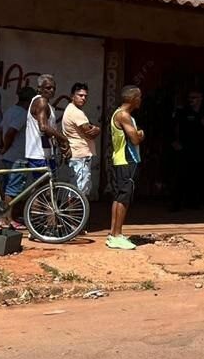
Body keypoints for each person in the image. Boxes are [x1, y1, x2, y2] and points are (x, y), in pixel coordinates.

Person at [108, 86, 144, 250]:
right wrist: (141, 134)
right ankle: (117, 235)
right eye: (139, 97)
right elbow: (135, 139)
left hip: (119, 160)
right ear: (132, 99)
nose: (140, 100)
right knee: (124, 197)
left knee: (118, 197)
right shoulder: (124, 115)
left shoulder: (118, 113)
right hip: (127, 161)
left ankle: (114, 234)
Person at [0, 87, 36, 223]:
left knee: (8, 187)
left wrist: (2, 147)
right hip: (17, 156)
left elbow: (1, 129)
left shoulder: (10, 110)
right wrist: (5, 147)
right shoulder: (22, 114)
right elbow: (10, 132)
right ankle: (6, 218)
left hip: (8, 156)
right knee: (13, 189)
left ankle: (9, 216)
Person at [170, 90, 204, 210]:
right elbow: (174, 127)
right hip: (185, 149)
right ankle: (176, 204)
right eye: (189, 97)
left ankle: (194, 202)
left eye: (194, 97)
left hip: (201, 150)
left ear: (200, 98)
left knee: (198, 176)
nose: (191, 100)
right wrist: (174, 142)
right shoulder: (183, 112)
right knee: (181, 176)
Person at [62, 82, 101, 199]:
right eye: (80, 95)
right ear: (72, 96)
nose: (83, 98)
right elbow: (90, 133)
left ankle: (73, 217)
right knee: (78, 192)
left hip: (77, 155)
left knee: (76, 189)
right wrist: (97, 129)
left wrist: (94, 128)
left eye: (85, 96)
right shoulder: (76, 112)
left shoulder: (71, 109)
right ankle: (74, 217)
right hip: (80, 156)